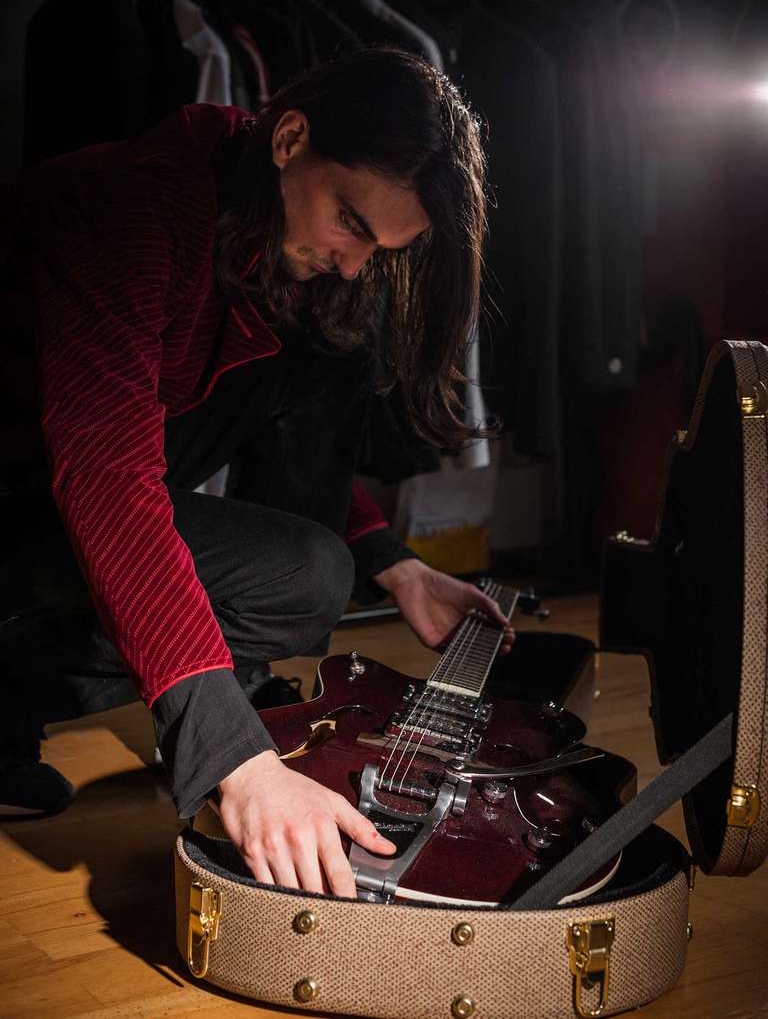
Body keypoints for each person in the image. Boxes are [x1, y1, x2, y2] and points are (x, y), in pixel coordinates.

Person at [0, 46, 513, 898]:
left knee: (314, 574)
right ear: (290, 139)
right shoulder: (128, 208)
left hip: (48, 521)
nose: (356, 259)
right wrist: (230, 758)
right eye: (352, 221)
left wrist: (393, 562)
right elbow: (107, 474)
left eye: (383, 247)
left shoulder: (284, 239)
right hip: (31, 503)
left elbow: (283, 423)